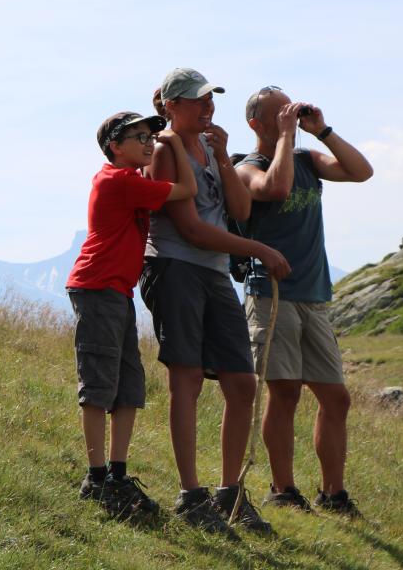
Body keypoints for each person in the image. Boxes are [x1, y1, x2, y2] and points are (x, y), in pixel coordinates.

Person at [140, 68, 291, 533]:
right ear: (169, 105)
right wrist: (260, 251)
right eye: (194, 100)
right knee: (187, 379)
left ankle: (229, 492)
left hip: (212, 270)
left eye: (209, 99)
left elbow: (241, 212)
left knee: (242, 383)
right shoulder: (164, 149)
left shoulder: (208, 145)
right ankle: (191, 495)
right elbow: (188, 227)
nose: (206, 107)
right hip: (176, 266)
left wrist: (224, 155)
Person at [235, 86, 373, 515]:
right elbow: (274, 189)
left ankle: (333, 494)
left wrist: (323, 130)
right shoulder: (246, 168)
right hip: (271, 294)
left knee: (336, 398)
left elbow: (361, 172)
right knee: (286, 393)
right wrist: (287, 138)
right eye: (281, 115)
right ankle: (283, 489)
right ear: (256, 123)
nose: (290, 119)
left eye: (293, 112)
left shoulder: (308, 160)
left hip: (313, 296)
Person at [66, 111, 197, 518]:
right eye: (139, 137)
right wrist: (174, 142)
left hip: (117, 290)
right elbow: (187, 189)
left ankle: (116, 475)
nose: (148, 142)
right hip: (98, 286)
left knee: (128, 386)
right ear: (114, 146)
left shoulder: (132, 182)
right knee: (100, 379)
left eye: (151, 136)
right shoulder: (118, 181)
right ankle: (95, 476)